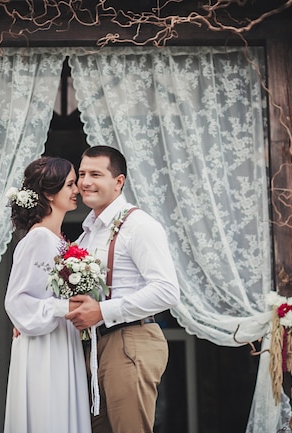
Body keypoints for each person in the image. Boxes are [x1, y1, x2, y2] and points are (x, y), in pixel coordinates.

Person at [66, 145, 181, 433]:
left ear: (119, 182)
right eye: (81, 174)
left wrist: (103, 311)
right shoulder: (87, 234)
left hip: (131, 340)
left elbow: (167, 290)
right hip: (94, 346)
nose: (85, 182)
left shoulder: (139, 225)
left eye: (95, 174)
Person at [3, 156, 92, 433]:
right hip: (44, 346)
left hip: (61, 339)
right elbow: (17, 301)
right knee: (49, 413)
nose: (77, 189)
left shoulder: (59, 240)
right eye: (70, 184)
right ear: (50, 194)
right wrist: (62, 307)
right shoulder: (39, 238)